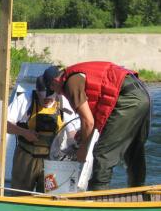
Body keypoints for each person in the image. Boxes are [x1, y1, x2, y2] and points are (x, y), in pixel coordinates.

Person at [44, 62, 151, 190]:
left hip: (127, 99)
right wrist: (82, 136)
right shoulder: (78, 76)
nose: (58, 94)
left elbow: (88, 122)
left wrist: (83, 149)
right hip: (142, 94)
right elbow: (97, 115)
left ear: (54, 82)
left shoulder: (69, 82)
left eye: (53, 90)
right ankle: (138, 192)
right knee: (133, 149)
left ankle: (97, 198)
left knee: (102, 153)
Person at [7, 72, 77, 195]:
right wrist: (24, 132)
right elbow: (5, 124)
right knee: (19, 196)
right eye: (43, 98)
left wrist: (72, 143)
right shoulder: (25, 99)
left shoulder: (63, 101)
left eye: (50, 99)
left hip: (52, 160)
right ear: (37, 91)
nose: (46, 101)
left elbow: (72, 130)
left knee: (49, 198)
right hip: (26, 157)